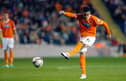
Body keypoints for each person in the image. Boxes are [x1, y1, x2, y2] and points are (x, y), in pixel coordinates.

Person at [59, 6, 111, 79]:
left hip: (91, 37)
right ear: (82, 13)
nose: (86, 16)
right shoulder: (80, 16)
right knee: (82, 53)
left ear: (89, 13)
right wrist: (64, 13)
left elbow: (105, 23)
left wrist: (108, 33)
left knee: (81, 43)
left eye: (87, 14)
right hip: (83, 37)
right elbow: (73, 15)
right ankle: (84, 74)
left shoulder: (94, 19)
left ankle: (68, 54)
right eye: (85, 14)